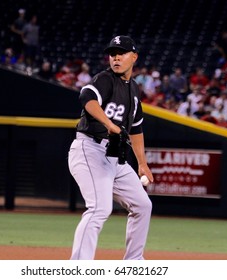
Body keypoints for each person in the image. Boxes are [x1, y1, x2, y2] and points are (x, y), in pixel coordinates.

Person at [68, 35, 153, 260]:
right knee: (99, 209)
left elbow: (136, 130)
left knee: (143, 205)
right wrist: (108, 123)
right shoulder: (104, 79)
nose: (115, 57)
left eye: (121, 53)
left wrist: (142, 164)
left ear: (134, 57)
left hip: (115, 157)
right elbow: (86, 97)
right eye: (112, 53)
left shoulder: (134, 90)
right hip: (90, 149)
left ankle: (133, 263)